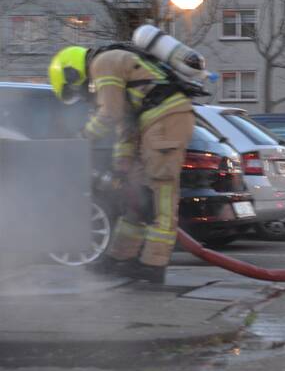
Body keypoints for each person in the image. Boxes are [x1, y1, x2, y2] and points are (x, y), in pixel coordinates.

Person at [48, 45, 195, 283]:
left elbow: (110, 114)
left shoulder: (103, 63)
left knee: (161, 195)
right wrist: (122, 161)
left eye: (77, 88)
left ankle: (153, 265)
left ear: (72, 72)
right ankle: (119, 258)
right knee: (136, 198)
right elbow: (125, 122)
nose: (85, 92)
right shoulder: (109, 67)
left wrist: (80, 139)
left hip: (166, 122)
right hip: (150, 124)